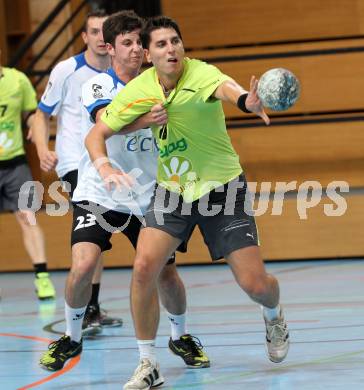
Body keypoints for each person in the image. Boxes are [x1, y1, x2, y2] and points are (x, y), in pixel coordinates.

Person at [85, 16, 290, 389]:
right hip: (173, 191)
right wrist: (104, 166)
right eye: (161, 44)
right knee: (145, 266)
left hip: (221, 189)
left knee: (255, 284)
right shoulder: (141, 89)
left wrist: (247, 100)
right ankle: (148, 363)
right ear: (148, 54)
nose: (171, 49)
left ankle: (273, 314)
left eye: (175, 42)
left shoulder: (201, 74)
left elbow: (228, 90)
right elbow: (97, 133)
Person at [39, 10, 210, 373]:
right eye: (127, 43)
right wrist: (148, 119)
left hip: (150, 194)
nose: (136, 50)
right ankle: (72, 336)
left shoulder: (162, 83)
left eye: (139, 43)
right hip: (100, 190)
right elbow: (105, 123)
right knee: (83, 264)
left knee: (164, 272)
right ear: (109, 47)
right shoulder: (98, 85)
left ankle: (180, 336)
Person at [31, 10, 121, 331]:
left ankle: (91, 307)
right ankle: (86, 310)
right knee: (91, 230)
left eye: (105, 32)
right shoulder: (67, 70)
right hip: (74, 163)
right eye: (94, 31)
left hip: (108, 163)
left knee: (101, 234)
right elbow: (40, 115)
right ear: (84, 37)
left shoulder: (121, 69)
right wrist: (44, 150)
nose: (100, 37)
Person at [0, 49, 55, 300]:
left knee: (27, 216)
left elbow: (32, 112)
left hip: (14, 163)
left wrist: (35, 125)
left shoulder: (17, 80)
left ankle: (42, 278)